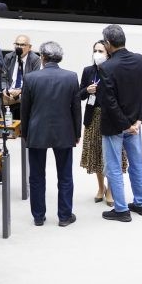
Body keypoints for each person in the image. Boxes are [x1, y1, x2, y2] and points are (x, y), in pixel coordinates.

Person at [20, 41, 81, 227]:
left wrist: (25, 132)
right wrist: (77, 132)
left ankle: (38, 216)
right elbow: (76, 109)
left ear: (42, 57)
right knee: (65, 176)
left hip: (37, 131)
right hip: (64, 131)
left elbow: (25, 109)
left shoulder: (31, 78)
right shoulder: (71, 77)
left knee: (36, 176)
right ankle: (64, 216)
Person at [98, 24, 142, 223]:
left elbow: (109, 101)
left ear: (108, 43)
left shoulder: (106, 67)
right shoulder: (139, 60)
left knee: (113, 165)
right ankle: (141, 203)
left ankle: (121, 209)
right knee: (137, 164)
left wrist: (124, 124)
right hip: (135, 124)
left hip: (115, 126)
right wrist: (138, 120)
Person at [79, 40, 127, 207]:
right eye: (95, 50)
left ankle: (111, 190)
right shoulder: (88, 71)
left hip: (111, 117)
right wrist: (87, 90)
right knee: (96, 154)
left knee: (112, 155)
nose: (97, 54)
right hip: (93, 117)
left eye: (101, 51)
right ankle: (101, 187)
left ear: (108, 54)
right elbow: (79, 94)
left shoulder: (114, 70)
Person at [2, 34, 41, 119]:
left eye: (22, 45)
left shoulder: (35, 60)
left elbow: (34, 81)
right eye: (17, 44)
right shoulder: (8, 57)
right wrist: (5, 89)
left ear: (29, 47)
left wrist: (20, 91)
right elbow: (2, 77)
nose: (19, 47)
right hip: (10, 93)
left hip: (25, 93)